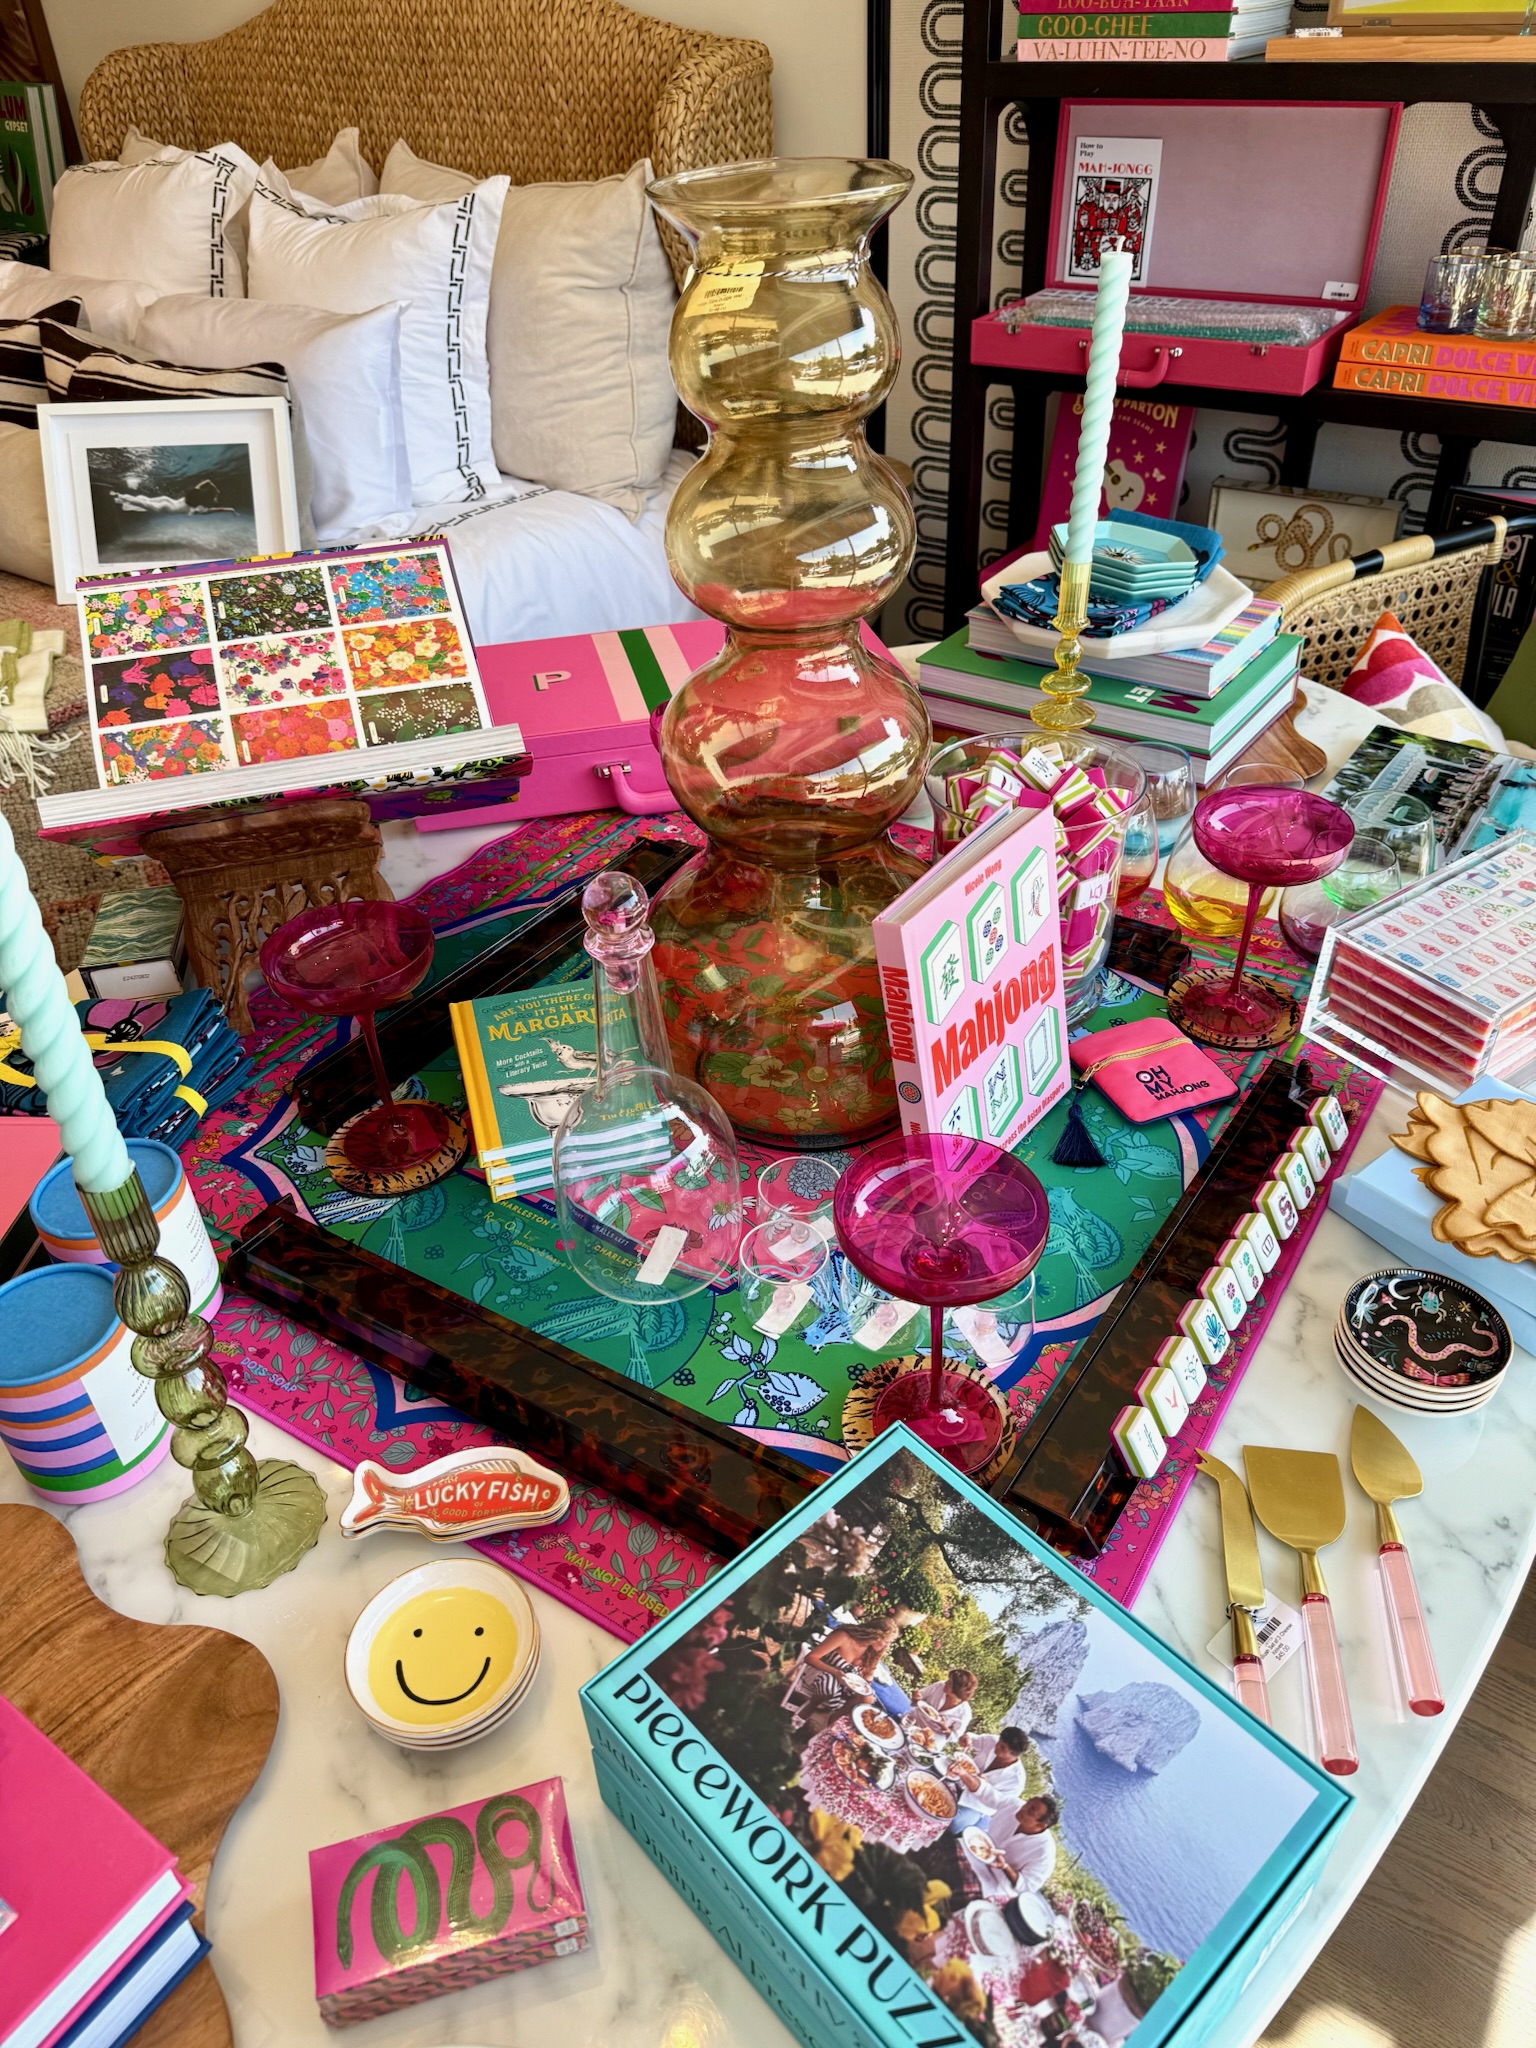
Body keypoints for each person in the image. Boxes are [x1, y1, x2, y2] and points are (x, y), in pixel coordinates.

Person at [963, 1793, 1060, 1900]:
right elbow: (987, 1792)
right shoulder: (1014, 1806)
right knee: (950, 1846)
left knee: (962, 1889)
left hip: (995, 1883)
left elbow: (1027, 1886)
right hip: (976, 1856)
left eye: (1031, 1810)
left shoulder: (1045, 1852)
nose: (1023, 1808)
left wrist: (1005, 1867)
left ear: (1039, 1825)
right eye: (1027, 1803)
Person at [917, 1668, 978, 1738]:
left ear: (957, 1691)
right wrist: (916, 1697)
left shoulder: (965, 1713)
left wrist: (945, 1729)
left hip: (930, 1737)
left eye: (949, 1683)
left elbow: (956, 1736)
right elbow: (920, 1696)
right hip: (914, 1720)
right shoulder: (939, 1686)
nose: (945, 1683)